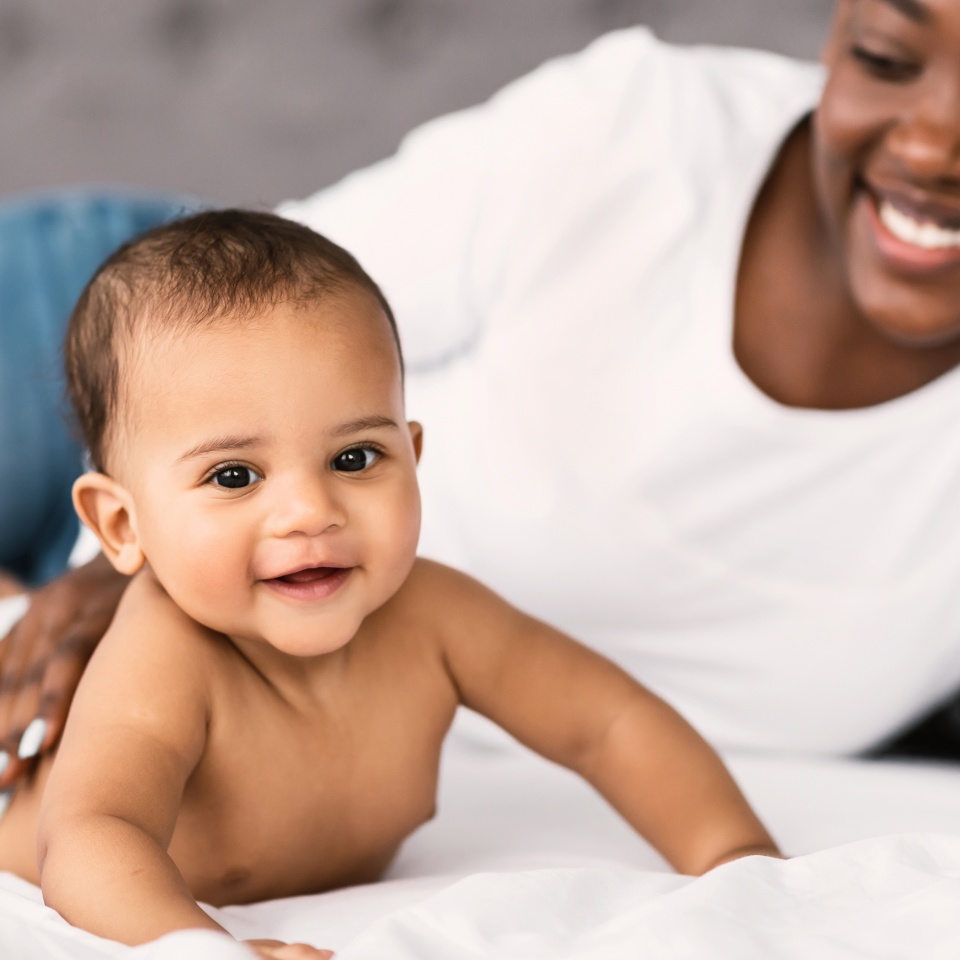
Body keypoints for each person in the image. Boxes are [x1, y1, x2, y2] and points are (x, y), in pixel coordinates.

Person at [4, 0, 960, 782]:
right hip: (133, 334)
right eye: (886, 56)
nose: (931, 146)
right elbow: (252, 320)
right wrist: (113, 575)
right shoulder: (643, 127)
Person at [0, 210, 779, 955]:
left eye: (354, 458)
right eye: (235, 475)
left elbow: (608, 724)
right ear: (121, 528)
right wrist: (199, 946)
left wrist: (738, 859)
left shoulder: (436, 618)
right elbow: (92, 838)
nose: (310, 511)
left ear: (411, 454)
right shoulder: (167, 655)